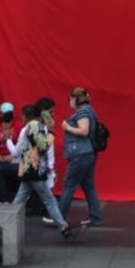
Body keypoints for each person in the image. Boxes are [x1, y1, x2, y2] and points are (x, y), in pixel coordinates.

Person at [13, 102, 80, 241]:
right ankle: (64, 228)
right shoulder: (35, 126)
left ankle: (7, 228)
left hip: (29, 168)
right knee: (49, 200)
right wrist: (51, 132)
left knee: (19, 201)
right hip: (35, 169)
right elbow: (43, 146)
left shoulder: (28, 127)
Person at [56, 86, 104, 227]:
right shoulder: (89, 110)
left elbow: (84, 131)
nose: (69, 102)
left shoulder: (82, 111)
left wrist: (67, 127)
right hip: (88, 153)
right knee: (88, 185)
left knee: (69, 184)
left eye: (70, 99)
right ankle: (95, 217)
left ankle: (59, 217)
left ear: (75, 98)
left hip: (80, 154)